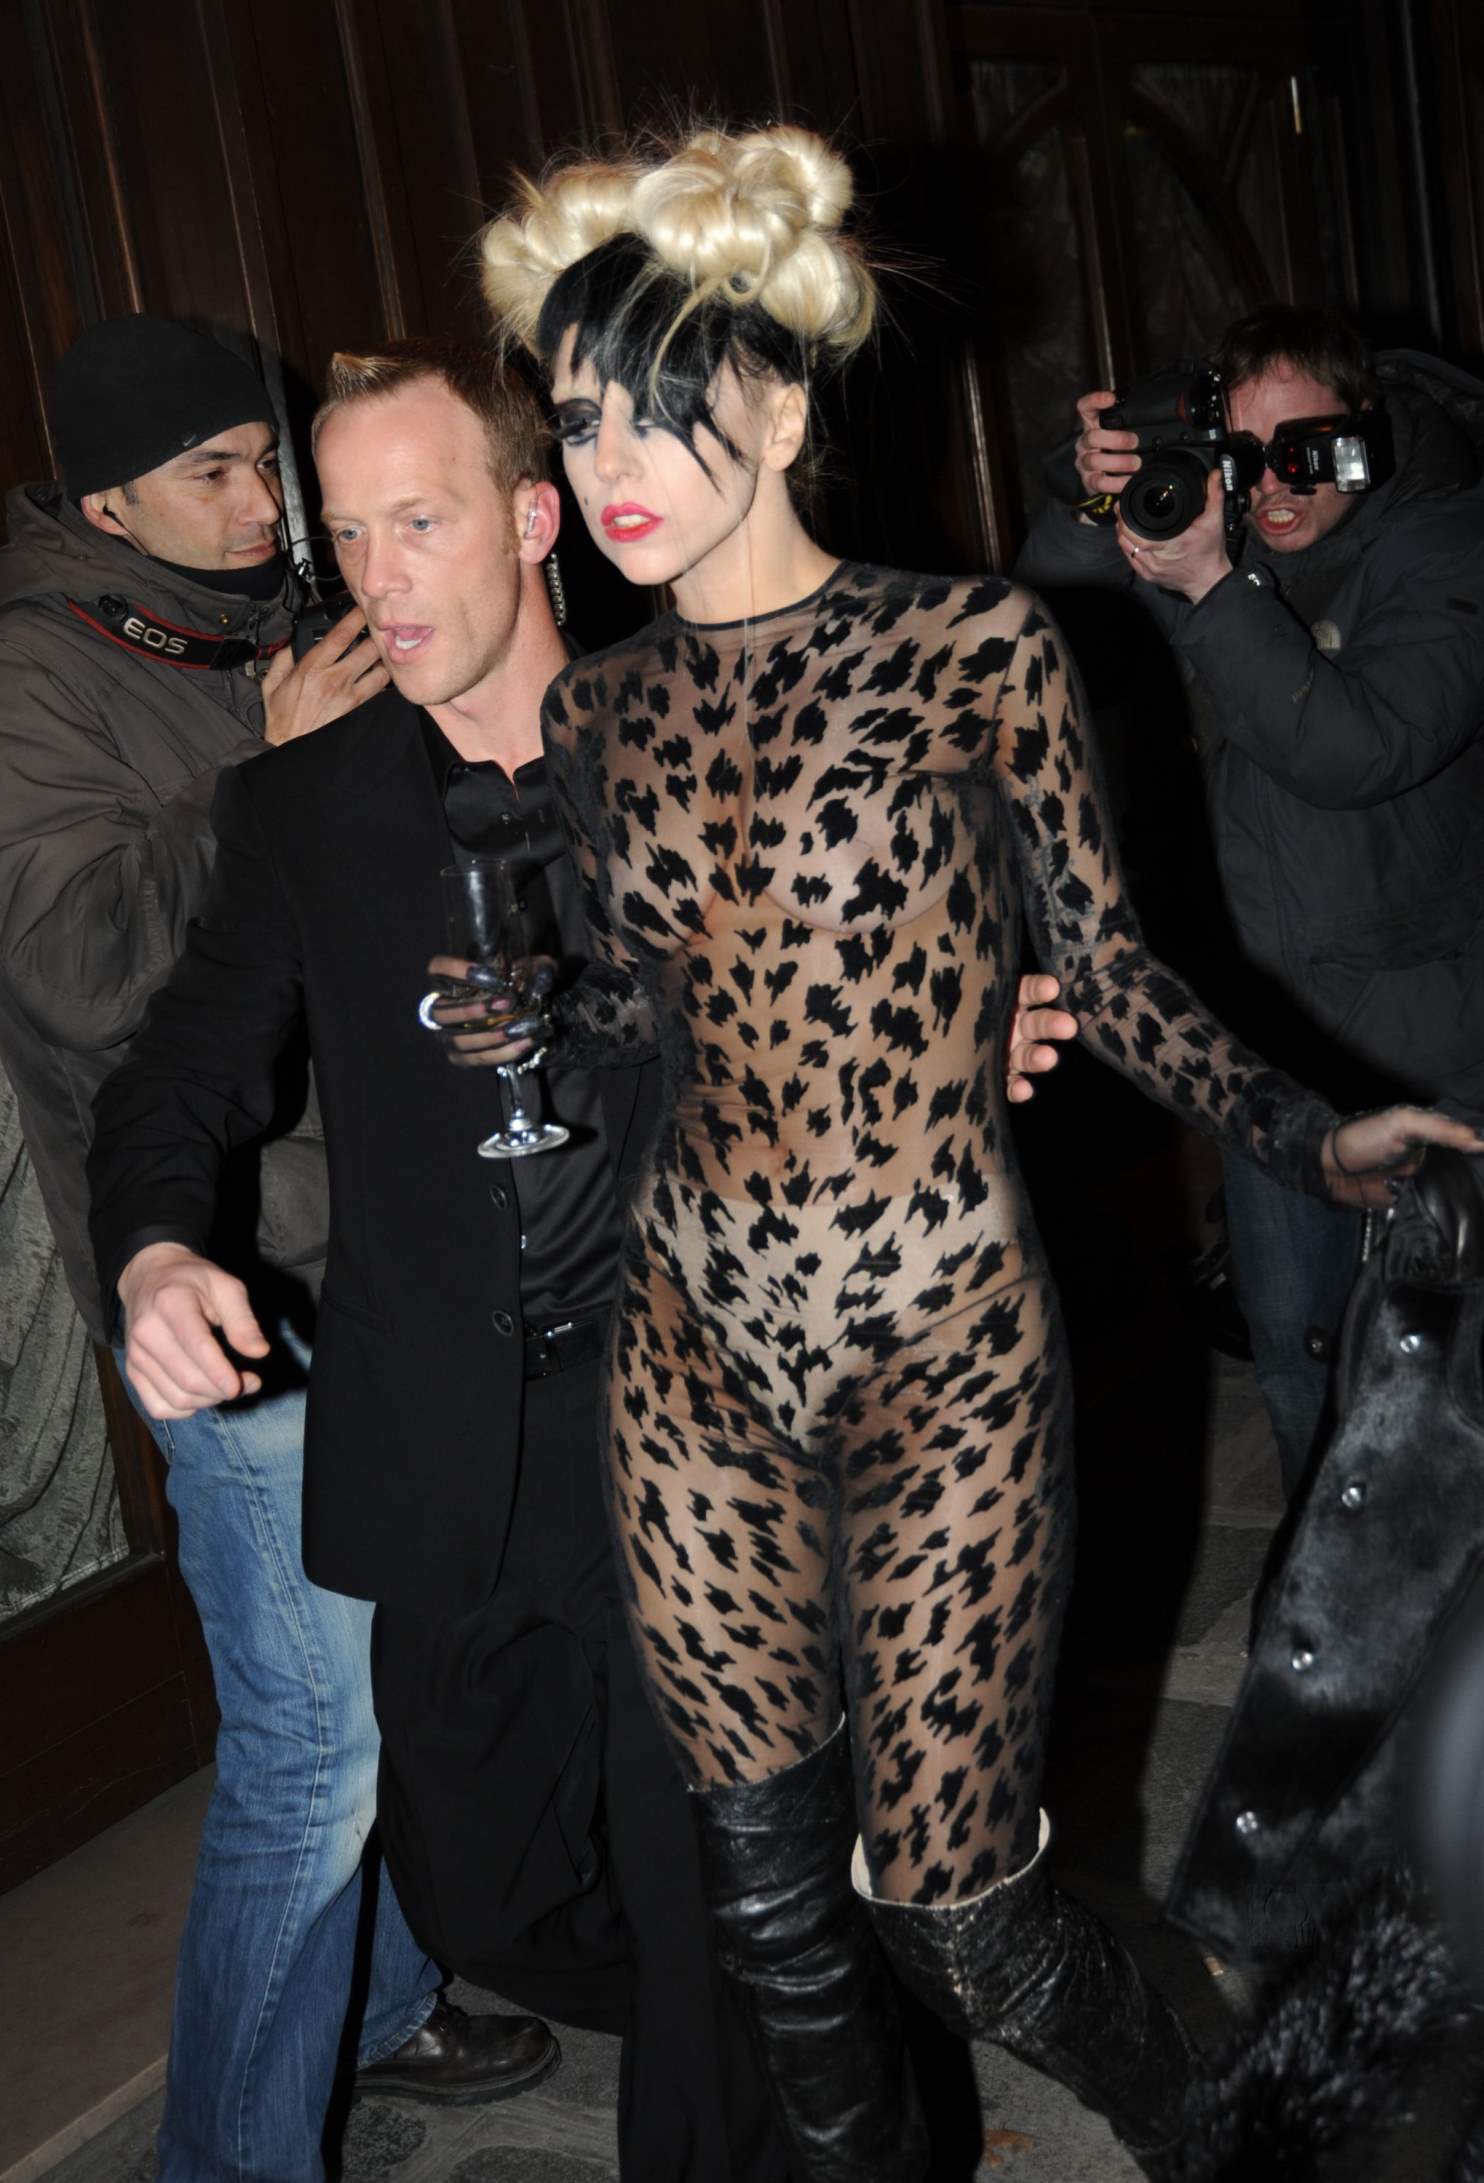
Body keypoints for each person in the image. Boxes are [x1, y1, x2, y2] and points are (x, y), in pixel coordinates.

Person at [471, 125, 1484, 2180]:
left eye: (656, 404)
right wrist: (549, 1013)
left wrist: (1313, 1131)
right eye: (577, 423)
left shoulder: (976, 649)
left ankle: (1224, 2132)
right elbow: (672, 1003)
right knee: (776, 1919)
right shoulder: (598, 716)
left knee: (960, 1913)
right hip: (694, 1350)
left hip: (940, 1344)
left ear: (778, 402)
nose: (610, 464)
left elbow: (1110, 971)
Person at [84, 332, 1069, 2183]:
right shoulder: (302, 808)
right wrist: (151, 1251)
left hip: (707, 1428)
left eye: (420, 523)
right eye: (345, 533)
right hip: (452, 1452)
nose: (376, 579)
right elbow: (180, 1065)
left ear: (535, 520)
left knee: (712, 1918)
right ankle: (820, 1990)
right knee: (483, 1886)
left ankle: (763, 2034)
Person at [0, 314, 553, 2183]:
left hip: (379, 1239)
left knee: (392, 1689)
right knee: (311, 1751)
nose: (265, 506)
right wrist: (264, 752)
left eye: (269, 466)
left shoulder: (266, 623)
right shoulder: (31, 673)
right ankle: (229, 2154)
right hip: (224, 1280)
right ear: (108, 501)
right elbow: (80, 978)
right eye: (214, 472)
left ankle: (377, 2002)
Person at [1015, 307, 1484, 1497]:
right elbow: (1047, 613)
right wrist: (1093, 494)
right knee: (1298, 1363)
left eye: (1304, 452)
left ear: (1365, 433)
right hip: (1267, 1048)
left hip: (1433, 1037)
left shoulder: (1444, 541)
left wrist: (1216, 587)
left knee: (1452, 1383)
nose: (1273, 486)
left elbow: (1360, 747)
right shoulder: (1216, 541)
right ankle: (1317, 1603)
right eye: (1245, 454)